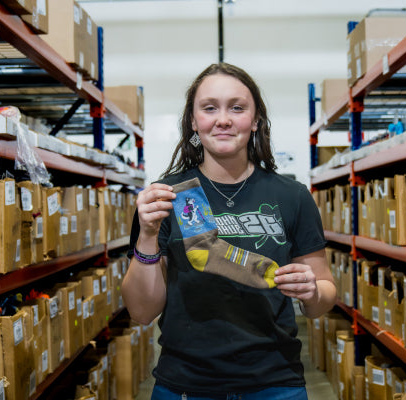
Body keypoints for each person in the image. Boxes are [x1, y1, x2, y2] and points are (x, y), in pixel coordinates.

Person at [122, 62, 337, 400]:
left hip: (275, 380)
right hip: (185, 384)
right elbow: (142, 313)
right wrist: (148, 234)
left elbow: (324, 297)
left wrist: (312, 291)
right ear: (194, 121)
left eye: (237, 108)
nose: (223, 119)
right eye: (210, 108)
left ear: (255, 120)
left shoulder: (291, 195)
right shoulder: (167, 196)